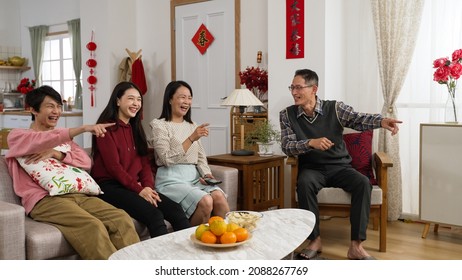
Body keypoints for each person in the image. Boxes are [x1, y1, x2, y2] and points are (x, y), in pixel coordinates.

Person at [279, 69, 402, 260]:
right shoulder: (287, 115)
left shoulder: (335, 108)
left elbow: (358, 119)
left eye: (298, 87)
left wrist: (382, 121)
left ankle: (356, 246)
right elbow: (287, 146)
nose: (294, 92)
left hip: (340, 167)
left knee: (362, 183)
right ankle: (315, 240)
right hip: (312, 169)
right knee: (304, 184)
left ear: (314, 89)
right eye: (292, 87)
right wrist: (311, 142)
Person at [6, 85, 140, 259]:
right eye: (50, 106)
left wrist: (58, 154)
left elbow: (85, 162)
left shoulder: (63, 142)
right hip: (45, 200)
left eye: (59, 106)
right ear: (32, 109)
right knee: (92, 226)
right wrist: (82, 128)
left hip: (78, 195)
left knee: (121, 218)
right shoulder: (18, 136)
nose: (57, 111)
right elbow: (42, 139)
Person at [91, 81, 190, 237]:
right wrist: (139, 190)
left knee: (176, 210)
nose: (136, 103)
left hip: (132, 185)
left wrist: (148, 187)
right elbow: (114, 167)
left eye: (138, 100)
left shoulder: (135, 128)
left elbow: (144, 164)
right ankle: (161, 259)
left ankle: (187, 256)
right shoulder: (104, 128)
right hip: (110, 186)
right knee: (154, 215)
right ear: (117, 101)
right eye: (131, 99)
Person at [149, 80, 230, 226]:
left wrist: (206, 174)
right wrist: (192, 138)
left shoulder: (192, 125)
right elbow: (166, 158)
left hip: (194, 178)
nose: (186, 101)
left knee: (219, 197)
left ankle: (226, 240)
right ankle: (196, 243)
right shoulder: (159, 125)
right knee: (206, 201)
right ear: (170, 99)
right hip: (171, 179)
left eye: (189, 97)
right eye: (182, 97)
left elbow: (200, 157)